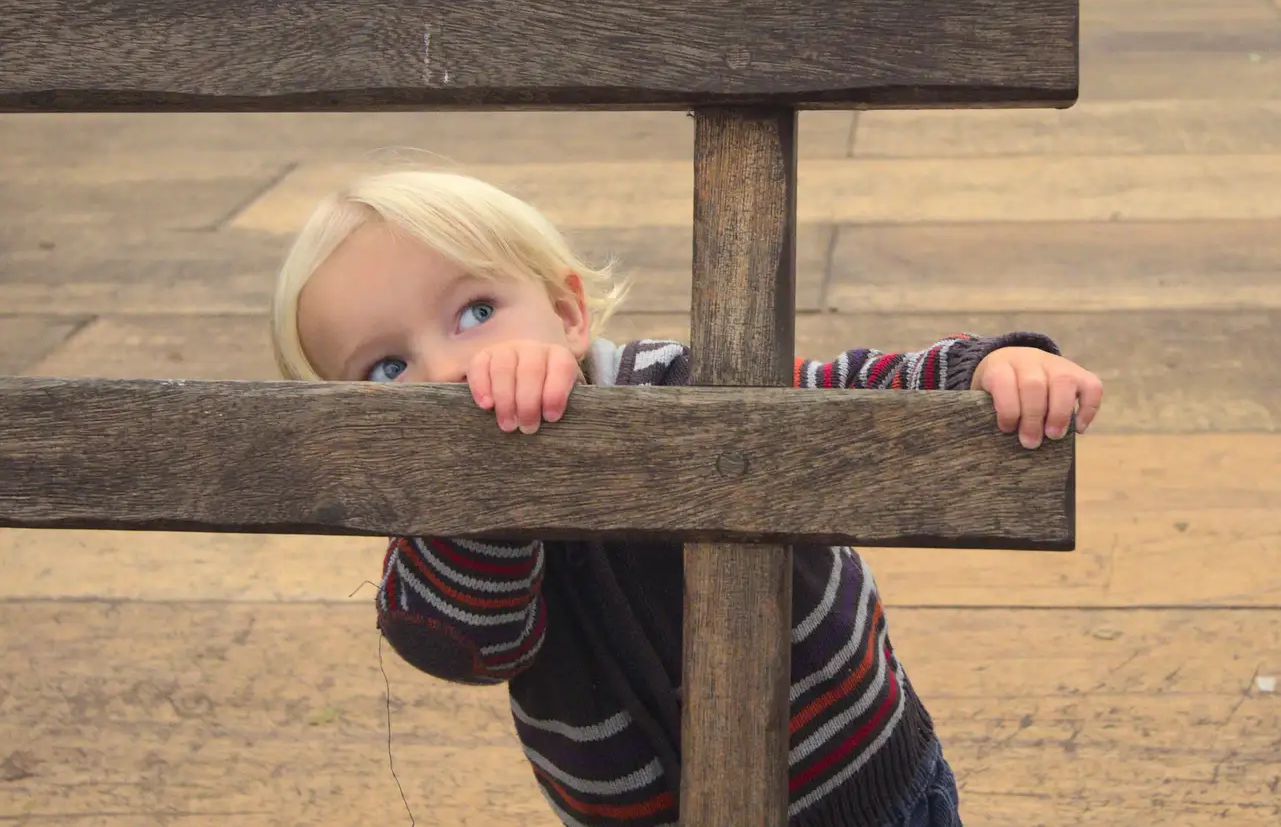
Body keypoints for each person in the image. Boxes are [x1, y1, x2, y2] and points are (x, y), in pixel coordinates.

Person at [269, 169, 1103, 827]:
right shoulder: (435, 532)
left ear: (565, 313)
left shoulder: (674, 387)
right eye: (386, 368)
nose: (445, 373)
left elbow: (841, 398)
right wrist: (475, 488)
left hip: (862, 788)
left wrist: (986, 371)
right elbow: (467, 646)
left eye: (476, 311)